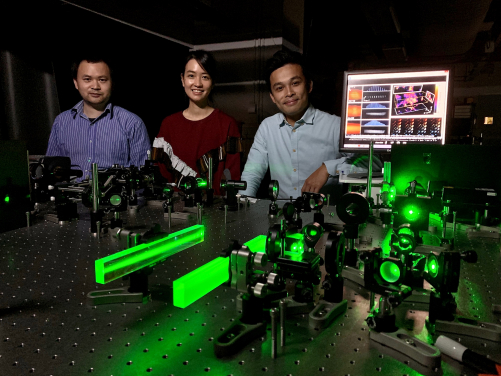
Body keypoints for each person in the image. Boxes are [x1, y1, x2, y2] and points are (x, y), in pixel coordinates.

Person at [240, 50, 366, 199]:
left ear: (309, 85)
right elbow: (252, 172)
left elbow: (371, 164)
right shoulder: (267, 127)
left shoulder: (335, 126)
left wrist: (329, 168)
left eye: (295, 83)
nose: (289, 93)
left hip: (326, 218)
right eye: (279, 88)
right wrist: (242, 204)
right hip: (282, 217)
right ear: (273, 97)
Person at [46, 55, 151, 180]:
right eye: (87, 79)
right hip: (70, 197)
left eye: (102, 80)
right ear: (76, 83)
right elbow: (51, 170)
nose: (95, 86)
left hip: (114, 198)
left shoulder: (132, 123)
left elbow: (143, 176)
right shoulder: (61, 122)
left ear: (111, 83)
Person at [154, 50, 241, 194]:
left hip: (216, 211)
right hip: (176, 210)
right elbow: (161, 176)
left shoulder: (228, 125)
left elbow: (233, 179)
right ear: (182, 80)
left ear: (213, 82)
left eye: (205, 77)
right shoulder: (168, 124)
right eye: (191, 76)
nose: (198, 83)